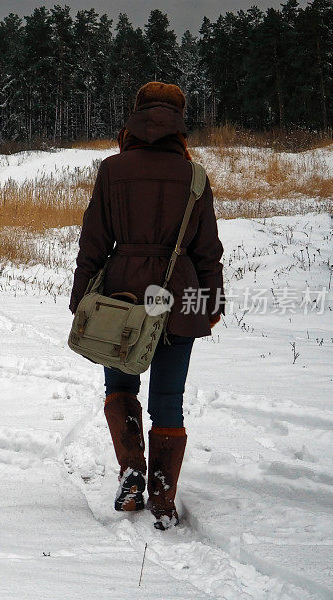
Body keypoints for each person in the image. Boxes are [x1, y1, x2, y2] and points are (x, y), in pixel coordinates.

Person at [69, 81, 225, 530]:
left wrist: (82, 297)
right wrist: (210, 302)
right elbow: (207, 251)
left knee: (121, 387)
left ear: (135, 115)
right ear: (179, 122)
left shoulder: (113, 170)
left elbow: (94, 241)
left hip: (121, 297)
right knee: (168, 399)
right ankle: (162, 496)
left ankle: (131, 470)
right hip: (179, 300)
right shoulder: (194, 176)